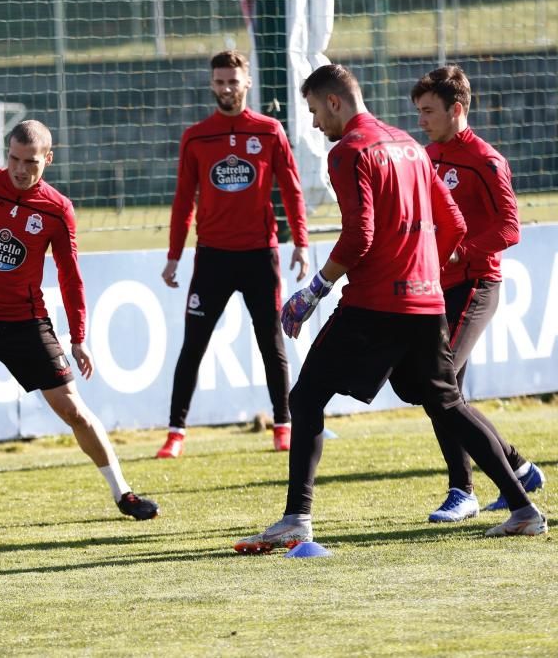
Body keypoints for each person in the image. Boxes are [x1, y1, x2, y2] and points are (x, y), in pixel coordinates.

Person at [234, 64, 547, 554]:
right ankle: (522, 507)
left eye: (315, 111)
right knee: (443, 399)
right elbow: (455, 222)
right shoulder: (408, 145)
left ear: (334, 102)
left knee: (308, 396)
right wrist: (423, 267)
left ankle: (297, 518)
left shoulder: (349, 151)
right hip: (426, 300)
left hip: (375, 301)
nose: (315, 124)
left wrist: (313, 290)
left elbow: (360, 236)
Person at [0, 119, 159, 530]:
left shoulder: (57, 209)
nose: (20, 169)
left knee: (72, 409)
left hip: (26, 322)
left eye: (31, 162)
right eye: (14, 159)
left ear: (48, 159)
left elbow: (70, 275)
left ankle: (123, 493)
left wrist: (78, 337)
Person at [157, 50, 310, 458]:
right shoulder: (196, 135)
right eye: (220, 81)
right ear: (212, 84)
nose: (226, 88)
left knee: (270, 342)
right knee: (193, 345)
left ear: (247, 83)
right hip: (211, 259)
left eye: (233, 81)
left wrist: (302, 243)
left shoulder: (269, 130)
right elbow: (182, 200)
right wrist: (174, 255)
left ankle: (283, 425)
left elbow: (292, 190)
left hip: (260, 255)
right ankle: (175, 433)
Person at [412, 65, 545, 523]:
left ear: (457, 109)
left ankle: (463, 489)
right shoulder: (426, 156)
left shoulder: (486, 160)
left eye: (429, 111)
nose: (422, 120)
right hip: (434, 287)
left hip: (475, 284)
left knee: (438, 385)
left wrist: (460, 251)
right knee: (444, 389)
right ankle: (517, 470)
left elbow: (510, 228)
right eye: (419, 111)